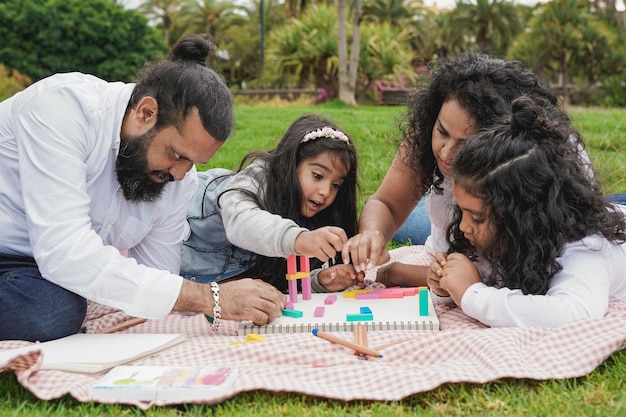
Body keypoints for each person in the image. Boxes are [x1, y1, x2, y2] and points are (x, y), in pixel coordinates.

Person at [0, 34, 284, 343]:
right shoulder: (63, 110)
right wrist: (209, 297)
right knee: (54, 311)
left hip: (26, 268)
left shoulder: (178, 179)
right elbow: (66, 254)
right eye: (177, 155)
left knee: (55, 307)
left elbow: (158, 274)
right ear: (145, 113)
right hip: (23, 253)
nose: (180, 174)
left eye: (193, 162)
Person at [341, 52, 592, 287]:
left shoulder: (533, 177)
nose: (446, 153)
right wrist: (372, 234)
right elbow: (387, 202)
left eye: (465, 143)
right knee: (411, 222)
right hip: (444, 224)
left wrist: (399, 273)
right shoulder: (432, 130)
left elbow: (496, 279)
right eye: (442, 132)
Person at [427, 97, 626, 328]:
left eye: (477, 217)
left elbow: (574, 313)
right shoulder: (513, 237)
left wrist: (472, 295)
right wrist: (447, 286)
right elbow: (492, 278)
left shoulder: (587, 248)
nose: (462, 226)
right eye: (462, 212)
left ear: (524, 218)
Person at [181, 114, 362, 293]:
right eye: (317, 176)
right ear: (291, 165)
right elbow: (243, 223)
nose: (325, 191)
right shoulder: (256, 179)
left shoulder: (312, 213)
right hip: (172, 239)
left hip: (210, 281)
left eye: (336, 185)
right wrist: (299, 239)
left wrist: (318, 280)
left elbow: (282, 276)